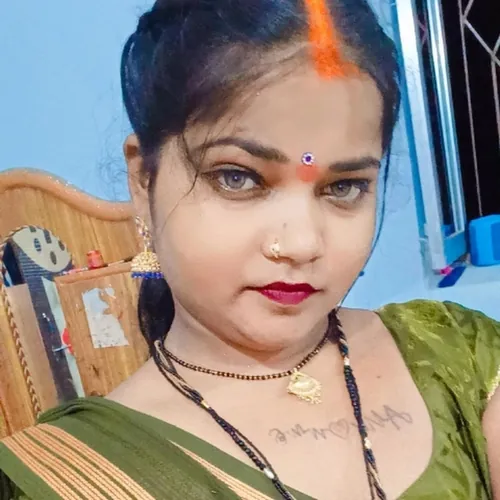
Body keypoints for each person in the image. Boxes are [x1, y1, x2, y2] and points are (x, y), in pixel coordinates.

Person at [1, 0, 499, 498]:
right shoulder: (73, 475)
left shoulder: (458, 359)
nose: (301, 244)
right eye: (238, 178)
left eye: (343, 186)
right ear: (143, 180)